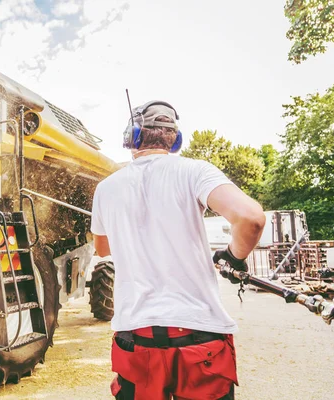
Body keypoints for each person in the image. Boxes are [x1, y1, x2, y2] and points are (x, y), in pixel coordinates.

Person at [90, 100, 266, 399]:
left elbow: (103, 248)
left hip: (137, 341)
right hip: (200, 341)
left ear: (132, 136)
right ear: (175, 139)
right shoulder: (195, 171)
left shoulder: (106, 188)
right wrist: (234, 257)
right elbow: (251, 219)